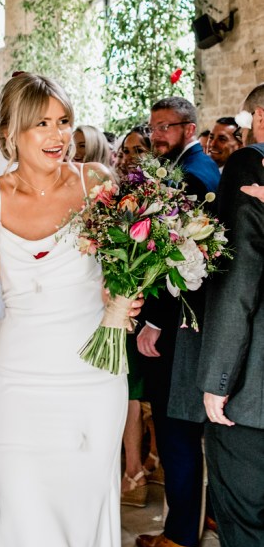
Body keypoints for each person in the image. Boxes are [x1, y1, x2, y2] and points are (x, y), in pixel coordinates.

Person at [0, 72, 141, 547]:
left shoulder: (97, 184)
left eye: (64, 122)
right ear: (10, 132)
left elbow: (125, 269)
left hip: (94, 380)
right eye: (41, 123)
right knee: (27, 517)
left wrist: (126, 294)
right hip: (18, 385)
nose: (57, 135)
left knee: (84, 515)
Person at [136, 96, 220, 547]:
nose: (157, 136)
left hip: (179, 326)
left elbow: (179, 258)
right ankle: (205, 514)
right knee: (184, 426)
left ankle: (181, 535)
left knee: (176, 428)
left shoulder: (192, 177)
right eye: (153, 128)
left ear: (189, 129)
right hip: (190, 323)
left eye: (166, 127)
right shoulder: (196, 168)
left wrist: (153, 320)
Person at [198, 85, 264, 547]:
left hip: (254, 394)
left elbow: (239, 281)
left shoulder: (249, 170)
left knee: (247, 525)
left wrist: (216, 380)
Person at [115, 124, 160, 506]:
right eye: (125, 151)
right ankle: (143, 465)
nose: (130, 158)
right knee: (132, 393)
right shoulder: (115, 196)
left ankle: (135, 472)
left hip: (145, 312)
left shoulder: (158, 197)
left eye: (138, 150)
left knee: (134, 395)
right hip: (122, 304)